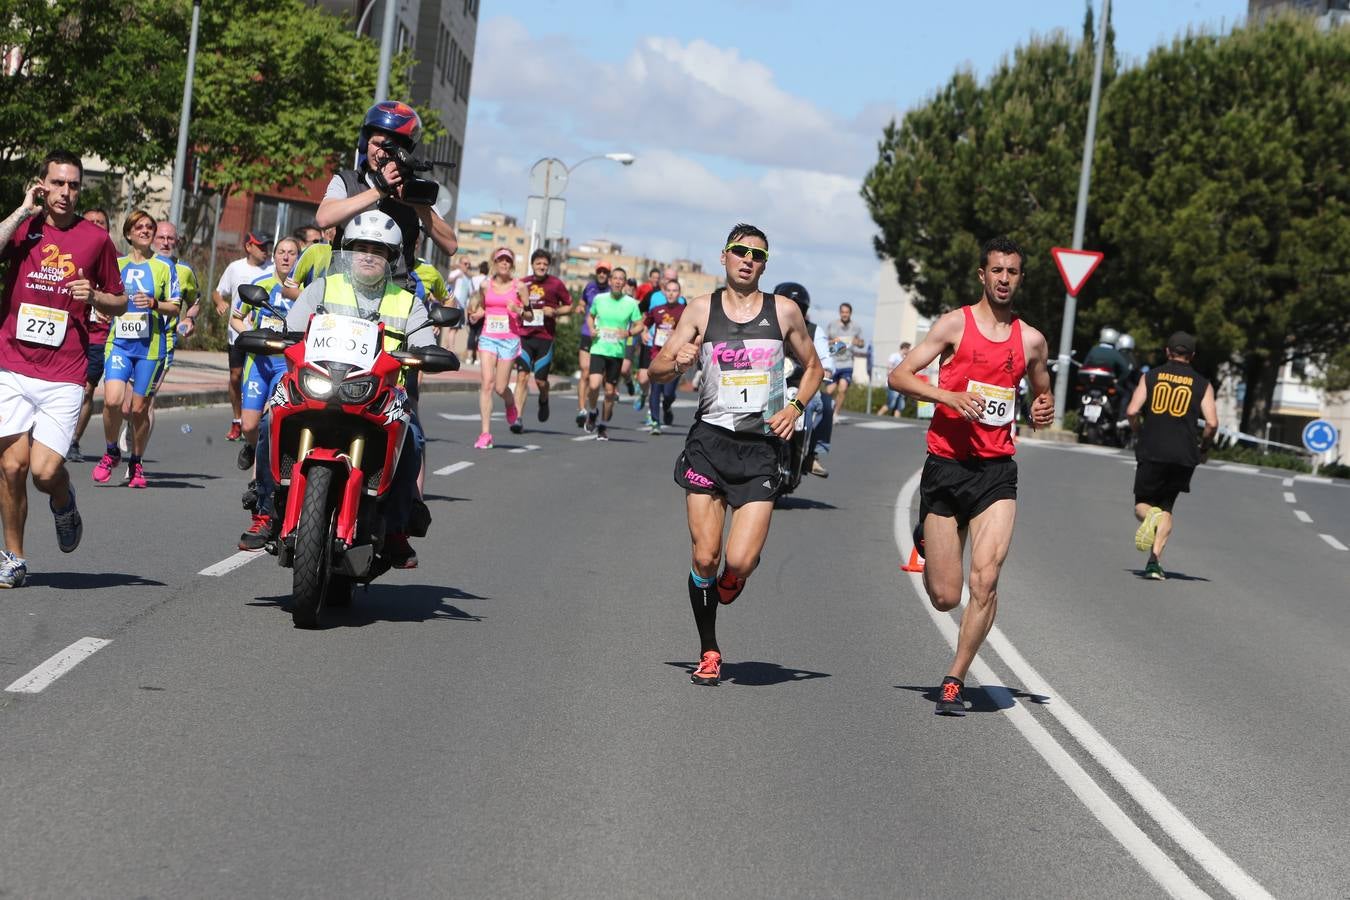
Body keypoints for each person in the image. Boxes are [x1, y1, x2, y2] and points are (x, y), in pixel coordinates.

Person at [649, 224, 823, 686]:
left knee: (739, 561)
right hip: (709, 443)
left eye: (758, 255)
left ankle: (736, 576)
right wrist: (677, 361)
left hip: (760, 449)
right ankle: (709, 650)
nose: (748, 259)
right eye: (740, 251)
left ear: (765, 264)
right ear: (724, 256)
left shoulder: (783, 312)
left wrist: (795, 406)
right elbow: (656, 370)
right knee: (705, 557)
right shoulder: (700, 310)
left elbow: (814, 368)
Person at [888, 236, 1055, 716]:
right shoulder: (954, 325)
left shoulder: (1031, 339)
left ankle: (955, 677)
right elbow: (899, 377)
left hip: (996, 472)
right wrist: (948, 398)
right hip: (946, 466)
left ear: (1021, 278)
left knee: (986, 578)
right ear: (982, 275)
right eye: (997, 271)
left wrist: (1042, 408)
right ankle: (929, 536)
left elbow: (1041, 392)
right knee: (945, 596)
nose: (1004, 279)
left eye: (1013, 272)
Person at [0, 150, 127, 587]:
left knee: (43, 471)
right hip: (11, 364)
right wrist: (20, 211)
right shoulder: (24, 228)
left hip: (63, 372)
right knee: (12, 467)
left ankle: (63, 500)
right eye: (58, 183)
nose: (66, 193)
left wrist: (93, 297)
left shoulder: (95, 239)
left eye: (73, 185)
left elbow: (120, 299)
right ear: (43, 184)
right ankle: (13, 558)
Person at [284, 212, 434, 568]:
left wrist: (431, 353)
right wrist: (277, 335)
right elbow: (289, 328)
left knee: (412, 439)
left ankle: (396, 530)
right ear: (346, 252)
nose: (368, 256)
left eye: (378, 251)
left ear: (391, 258)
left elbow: (427, 343)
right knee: (269, 417)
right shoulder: (322, 287)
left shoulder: (407, 302)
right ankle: (262, 508)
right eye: (360, 249)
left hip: (382, 395)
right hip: (318, 385)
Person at [314, 101, 457, 289]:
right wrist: (378, 191)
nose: (380, 153)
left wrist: (418, 205)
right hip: (343, 287)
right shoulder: (347, 180)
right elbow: (323, 219)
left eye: (389, 148)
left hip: (394, 294)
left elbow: (450, 246)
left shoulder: (411, 187)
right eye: (376, 144)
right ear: (365, 143)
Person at [92, 210, 180, 489]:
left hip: (150, 348)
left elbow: (175, 306)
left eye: (149, 227)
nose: (145, 230)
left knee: (139, 409)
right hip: (119, 343)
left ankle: (137, 462)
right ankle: (111, 451)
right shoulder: (116, 264)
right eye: (139, 227)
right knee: (112, 401)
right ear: (129, 233)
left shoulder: (165, 267)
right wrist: (103, 309)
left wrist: (155, 303)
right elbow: (103, 296)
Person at [1125, 331, 1217, 581]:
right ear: (1193, 356)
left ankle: (1150, 517)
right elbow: (1211, 423)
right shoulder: (1202, 384)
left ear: (1167, 352)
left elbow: (1132, 410)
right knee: (1167, 506)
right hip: (1184, 454)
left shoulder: (1151, 376)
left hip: (1152, 448)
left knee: (1142, 505)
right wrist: (1204, 448)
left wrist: (1139, 431)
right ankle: (1154, 563)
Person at [234, 236, 301, 550]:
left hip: (284, 365)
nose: (286, 257)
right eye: (281, 252)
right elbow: (236, 316)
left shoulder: (305, 289)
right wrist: (247, 332)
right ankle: (252, 448)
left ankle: (266, 479)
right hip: (258, 362)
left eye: (292, 253)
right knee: (248, 425)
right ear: (273, 257)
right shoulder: (260, 283)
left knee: (272, 422)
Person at [466, 247, 526, 449]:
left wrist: (518, 310)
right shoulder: (485, 285)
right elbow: (486, 307)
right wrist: (478, 315)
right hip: (488, 338)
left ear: (512, 264)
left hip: (509, 339)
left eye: (508, 260)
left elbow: (530, 316)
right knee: (487, 384)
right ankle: (485, 434)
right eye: (501, 259)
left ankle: (510, 403)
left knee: (501, 387)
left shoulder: (520, 287)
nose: (504, 263)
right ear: (495, 262)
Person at [213, 232, 270, 440]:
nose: (264, 251)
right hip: (237, 333)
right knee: (236, 376)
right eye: (260, 246)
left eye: (266, 247)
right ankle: (237, 419)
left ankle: (255, 420)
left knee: (257, 378)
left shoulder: (272, 270)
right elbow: (218, 291)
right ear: (248, 246)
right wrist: (219, 302)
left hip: (261, 336)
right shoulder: (235, 268)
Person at [68, 208, 113, 461]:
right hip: (70, 331)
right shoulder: (70, 253)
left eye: (101, 222)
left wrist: (109, 307)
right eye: (91, 222)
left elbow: (122, 298)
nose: (96, 225)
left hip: (98, 338)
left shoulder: (114, 259)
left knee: (86, 391)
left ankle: (73, 440)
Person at [510, 249, 570, 430]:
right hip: (525, 336)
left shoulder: (556, 284)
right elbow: (513, 302)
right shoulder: (523, 283)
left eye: (545, 264)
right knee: (522, 376)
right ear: (532, 265)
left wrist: (556, 311)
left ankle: (544, 397)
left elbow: (569, 306)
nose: (542, 267)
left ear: (548, 266)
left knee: (540, 381)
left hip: (545, 337)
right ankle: (517, 418)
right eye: (538, 263)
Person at [585, 266, 644, 441]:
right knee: (594, 385)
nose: (618, 281)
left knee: (610, 392)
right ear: (610, 281)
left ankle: (603, 425)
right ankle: (593, 411)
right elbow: (590, 316)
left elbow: (639, 324)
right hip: (598, 348)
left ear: (624, 283)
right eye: (615, 278)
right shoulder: (599, 299)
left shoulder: (631, 304)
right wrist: (591, 329)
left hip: (617, 352)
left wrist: (629, 333)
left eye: (621, 279)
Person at [642, 275, 686, 434]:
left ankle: (667, 407)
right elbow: (645, 324)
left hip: (676, 358)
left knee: (668, 393)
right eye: (669, 290)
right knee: (655, 389)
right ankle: (655, 422)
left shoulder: (685, 311)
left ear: (680, 293)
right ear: (664, 292)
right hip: (657, 354)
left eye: (675, 291)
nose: (672, 293)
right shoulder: (657, 309)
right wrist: (644, 334)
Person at [575, 260, 610, 427]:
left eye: (605, 272)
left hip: (603, 337)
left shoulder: (612, 291)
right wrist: (580, 307)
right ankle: (581, 409)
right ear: (596, 272)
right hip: (587, 333)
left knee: (598, 377)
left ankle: (592, 407)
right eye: (600, 271)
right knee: (585, 371)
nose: (602, 274)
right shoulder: (589, 287)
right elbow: (582, 301)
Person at [826, 302, 864, 421]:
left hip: (847, 363)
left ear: (850, 313)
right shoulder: (832, 325)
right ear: (840, 313)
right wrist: (833, 341)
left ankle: (835, 414)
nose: (844, 314)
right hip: (833, 362)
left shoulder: (856, 327)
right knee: (829, 391)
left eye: (847, 312)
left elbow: (862, 343)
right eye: (842, 312)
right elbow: (824, 342)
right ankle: (827, 410)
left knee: (843, 389)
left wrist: (857, 342)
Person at [878, 342, 911, 416]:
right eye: (908, 349)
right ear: (905, 348)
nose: (909, 351)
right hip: (893, 383)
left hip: (902, 385)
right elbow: (889, 367)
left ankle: (896, 420)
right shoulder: (895, 356)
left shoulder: (905, 358)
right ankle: (878, 415)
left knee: (900, 406)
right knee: (891, 403)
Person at [465, 260, 488, 366]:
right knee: (480, 333)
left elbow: (469, 292)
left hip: (472, 305)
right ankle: (478, 359)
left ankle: (469, 358)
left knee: (472, 333)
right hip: (482, 306)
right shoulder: (488, 280)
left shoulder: (473, 279)